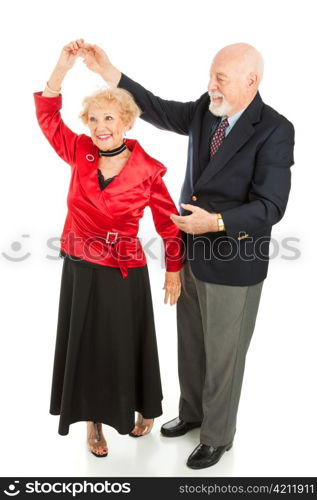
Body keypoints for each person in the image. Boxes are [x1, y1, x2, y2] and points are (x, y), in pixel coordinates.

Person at [79, 41, 295, 468]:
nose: (211, 84)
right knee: (192, 345)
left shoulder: (275, 129)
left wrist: (214, 222)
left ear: (251, 81)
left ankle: (218, 436)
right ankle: (193, 414)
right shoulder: (205, 108)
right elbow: (157, 109)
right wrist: (111, 74)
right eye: (211, 75)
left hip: (234, 258)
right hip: (192, 251)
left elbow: (272, 206)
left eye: (221, 78)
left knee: (223, 353)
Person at [33, 39, 183, 458]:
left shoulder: (149, 169)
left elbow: (169, 225)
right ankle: (94, 424)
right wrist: (61, 68)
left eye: (110, 118)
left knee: (126, 341)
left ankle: (143, 406)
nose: (101, 126)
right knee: (88, 345)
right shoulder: (79, 150)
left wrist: (174, 270)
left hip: (124, 268)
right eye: (94, 119)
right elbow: (47, 117)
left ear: (126, 122)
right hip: (81, 266)